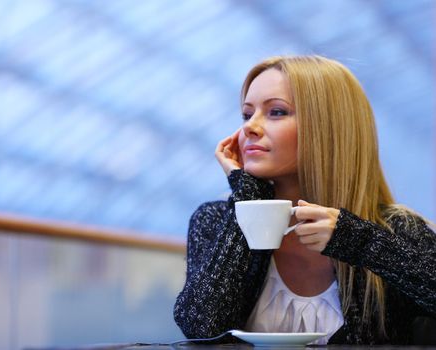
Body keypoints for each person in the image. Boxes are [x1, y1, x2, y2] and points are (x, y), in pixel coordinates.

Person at [173, 55, 436, 345]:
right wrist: (249, 197)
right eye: (247, 114)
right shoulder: (214, 219)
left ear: (328, 129)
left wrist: (359, 242)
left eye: (276, 112)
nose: (250, 128)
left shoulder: (397, 230)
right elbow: (200, 326)